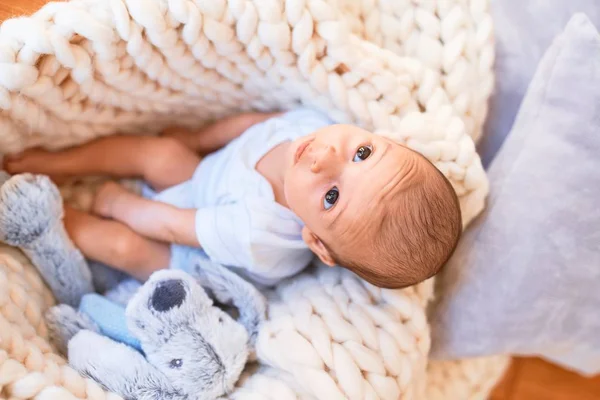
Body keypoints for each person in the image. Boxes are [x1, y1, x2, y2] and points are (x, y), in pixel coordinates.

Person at [3, 108, 462, 288]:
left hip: (193, 258)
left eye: (331, 198)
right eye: (363, 152)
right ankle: (52, 161)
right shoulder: (313, 128)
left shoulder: (259, 232)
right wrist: (198, 136)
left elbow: (172, 227)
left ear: (316, 242)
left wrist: (117, 204)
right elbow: (250, 127)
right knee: (161, 153)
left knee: (122, 246)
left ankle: (36, 214)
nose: (325, 159)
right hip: (204, 183)